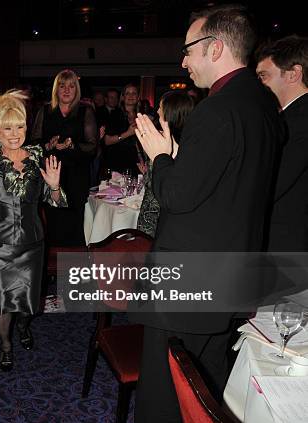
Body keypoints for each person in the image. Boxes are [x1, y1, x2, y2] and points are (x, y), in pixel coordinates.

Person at [133, 5, 283, 422]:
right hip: (230, 278)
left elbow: (176, 196)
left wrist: (162, 159)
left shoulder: (216, 110)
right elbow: (231, 183)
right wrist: (182, 158)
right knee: (205, 393)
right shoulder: (261, 103)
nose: (183, 61)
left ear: (215, 48)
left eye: (188, 50)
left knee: (164, 397)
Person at [0, 90, 66, 371]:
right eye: (7, 127)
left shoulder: (37, 155)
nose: (15, 133)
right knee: (2, 302)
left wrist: (54, 187)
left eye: (20, 126)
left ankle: (24, 327)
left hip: (32, 242)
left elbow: (54, 203)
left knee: (31, 303)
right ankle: (6, 343)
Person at [32, 69, 97, 247]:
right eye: (62, 86)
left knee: (75, 227)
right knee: (53, 224)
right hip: (52, 177)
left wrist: (72, 145)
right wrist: (47, 145)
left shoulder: (85, 111)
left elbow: (92, 146)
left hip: (76, 176)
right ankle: (53, 270)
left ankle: (73, 270)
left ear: (77, 89)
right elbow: (33, 145)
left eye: (71, 86)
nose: (67, 90)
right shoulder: (45, 111)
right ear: (56, 89)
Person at [256, 35, 308, 251]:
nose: (259, 86)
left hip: (287, 246)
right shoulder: (291, 119)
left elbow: (269, 185)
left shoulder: (298, 122)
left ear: (293, 74)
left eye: (264, 76)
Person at [136, 90, 194, 237]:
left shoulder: (162, 142)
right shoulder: (193, 142)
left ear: (170, 113)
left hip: (158, 215)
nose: (156, 111)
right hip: (165, 216)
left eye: (160, 108)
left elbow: (159, 183)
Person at [102, 83, 141, 175]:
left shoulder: (142, 116)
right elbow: (107, 141)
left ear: (138, 97)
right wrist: (128, 133)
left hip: (137, 164)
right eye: (128, 93)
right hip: (117, 161)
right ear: (123, 97)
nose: (131, 96)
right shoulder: (114, 114)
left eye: (134, 93)